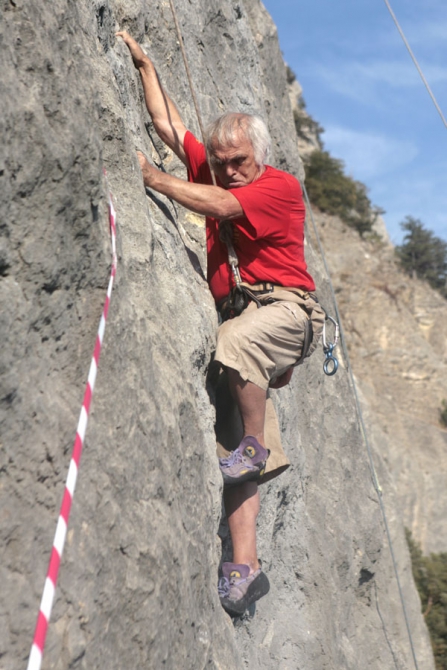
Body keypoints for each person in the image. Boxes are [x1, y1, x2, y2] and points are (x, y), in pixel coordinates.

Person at [116, 31, 325, 617]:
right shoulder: (217, 167)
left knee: (234, 346)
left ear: (260, 155)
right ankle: (245, 569)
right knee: (235, 458)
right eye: (223, 161)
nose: (229, 171)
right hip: (251, 327)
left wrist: (154, 180)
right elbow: (167, 125)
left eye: (240, 161)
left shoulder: (277, 188)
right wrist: (146, 65)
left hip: (285, 311)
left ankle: (253, 445)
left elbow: (222, 208)